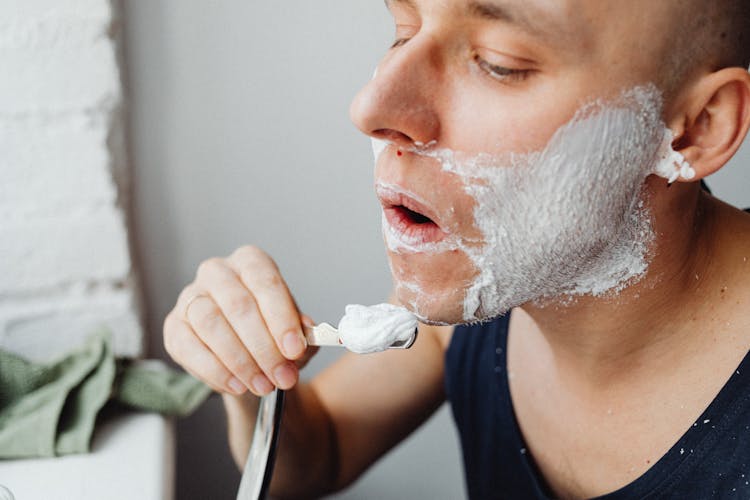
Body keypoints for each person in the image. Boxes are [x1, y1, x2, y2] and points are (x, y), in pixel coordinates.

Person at [163, 0, 750, 498]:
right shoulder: (479, 294)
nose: (370, 108)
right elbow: (318, 453)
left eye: (500, 65)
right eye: (403, 28)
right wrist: (252, 371)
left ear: (695, 127)